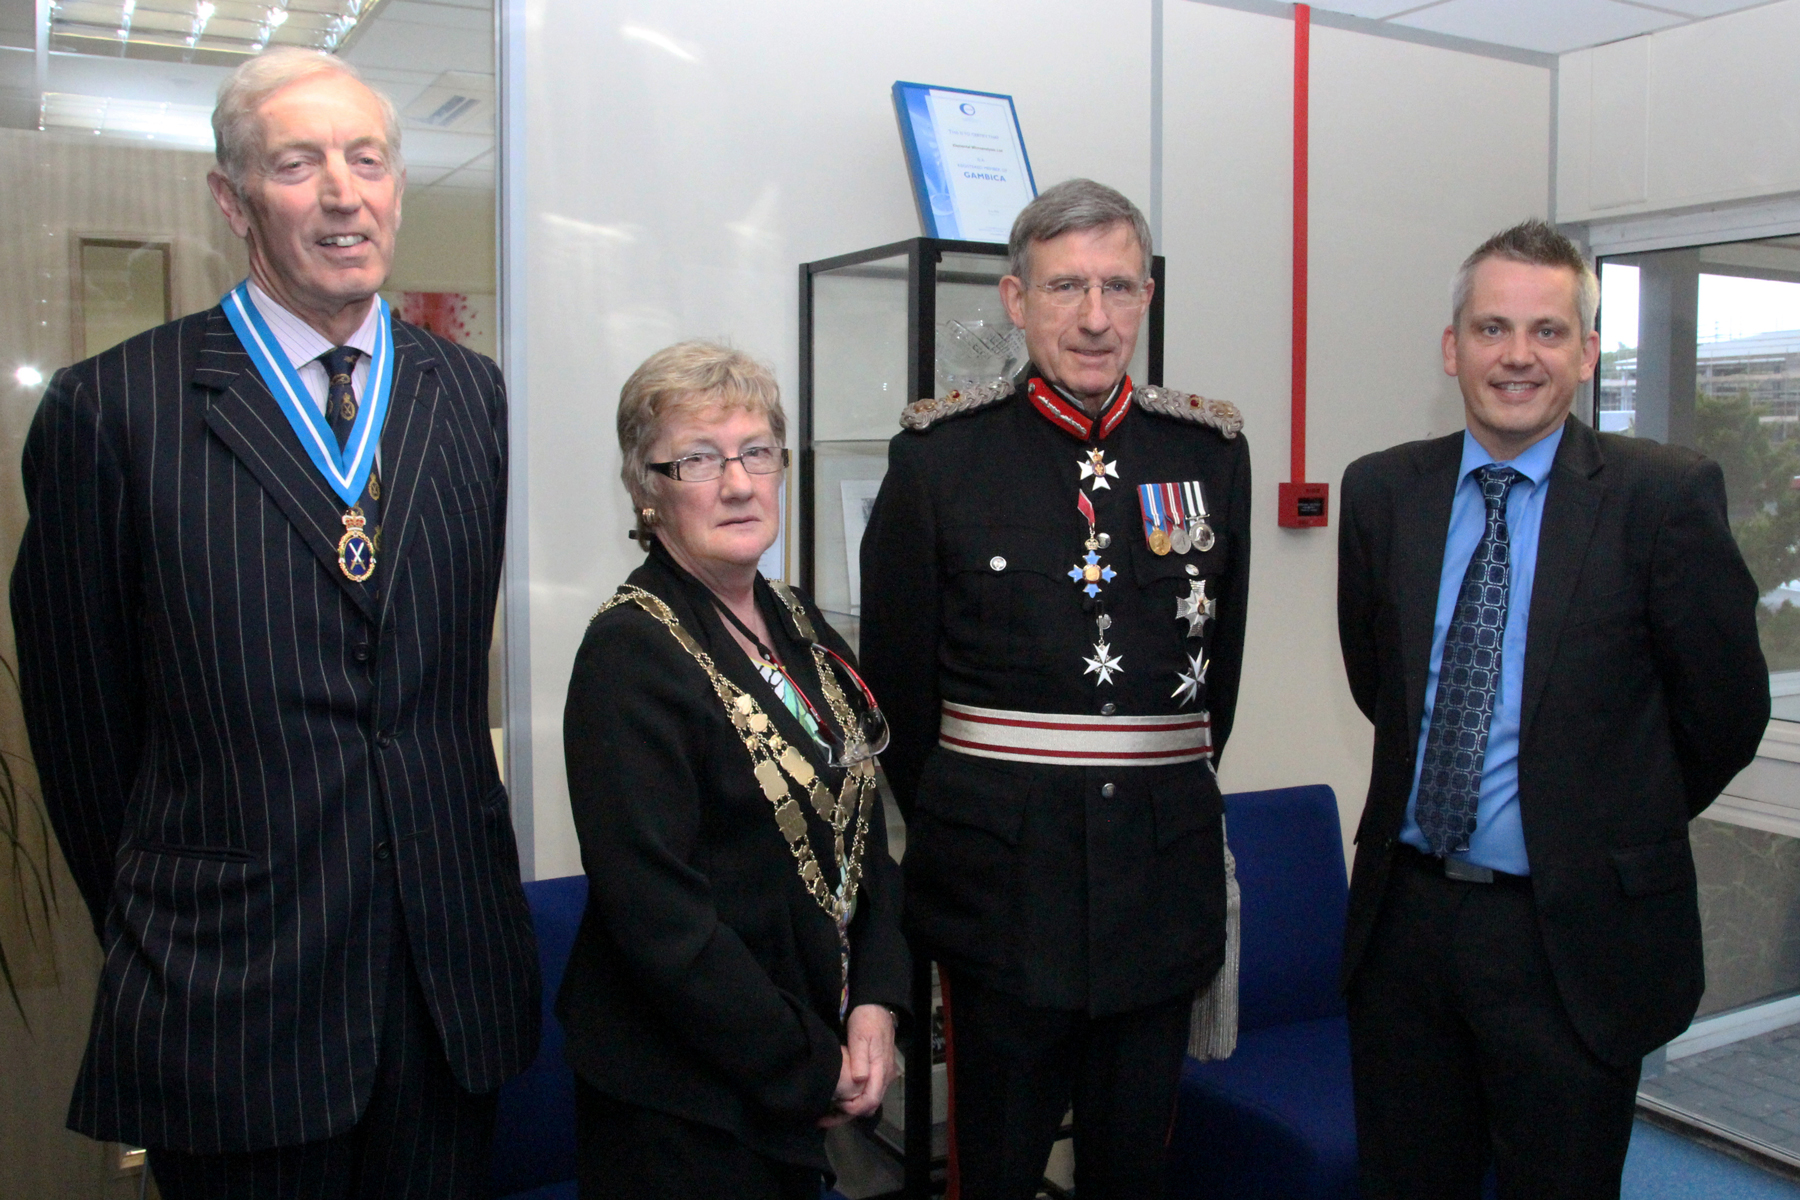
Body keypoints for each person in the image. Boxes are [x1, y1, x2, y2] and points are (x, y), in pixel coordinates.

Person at [10, 48, 538, 1199]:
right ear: (232, 199)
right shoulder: (114, 412)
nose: (344, 193)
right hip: (231, 995)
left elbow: (438, 682)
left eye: (368, 160)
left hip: (446, 989)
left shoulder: (473, 398)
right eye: (299, 164)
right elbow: (82, 733)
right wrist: (173, 926)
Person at [1337, 219, 1769, 1198]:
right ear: (1453, 349)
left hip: (1570, 942)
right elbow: (1383, 686)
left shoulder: (1661, 498)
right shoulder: (1382, 493)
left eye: (1546, 330)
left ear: (1584, 352)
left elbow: (1724, 713)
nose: (1517, 355)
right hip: (1405, 929)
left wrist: (1605, 818)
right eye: (1492, 329)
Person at [859, 179, 1251, 1199]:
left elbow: (1219, 686)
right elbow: (898, 697)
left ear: (1148, 298)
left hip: (1159, 888)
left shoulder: (1209, 454)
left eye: (1119, 287)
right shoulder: (940, 459)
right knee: (992, 1170)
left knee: (1131, 1172)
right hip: (1001, 894)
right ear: (1014, 300)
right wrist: (978, 826)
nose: (1094, 317)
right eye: (1066, 286)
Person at [561, 340, 910, 1199]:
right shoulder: (629, 655)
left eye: (757, 452)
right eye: (699, 460)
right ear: (648, 491)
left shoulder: (794, 621)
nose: (740, 482)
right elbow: (662, 923)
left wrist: (874, 1001)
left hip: (794, 1067)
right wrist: (809, 1062)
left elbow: (863, 834)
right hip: (683, 1107)